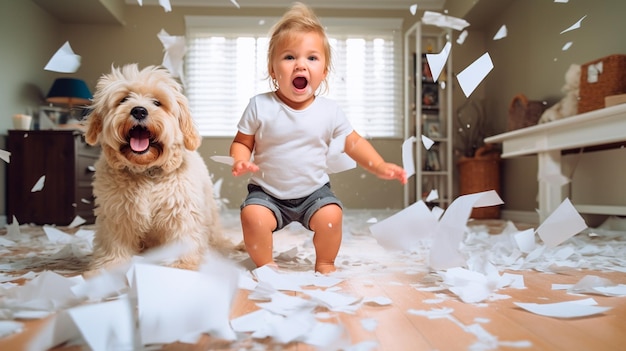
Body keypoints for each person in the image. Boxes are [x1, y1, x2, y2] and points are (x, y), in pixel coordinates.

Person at [229, 2, 406, 274]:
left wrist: (380, 166)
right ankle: (265, 264)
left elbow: (354, 142)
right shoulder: (260, 105)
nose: (300, 65)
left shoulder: (329, 111)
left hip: (314, 193)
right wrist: (240, 160)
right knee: (252, 217)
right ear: (273, 69)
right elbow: (242, 142)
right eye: (289, 58)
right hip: (267, 193)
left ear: (323, 72)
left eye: (312, 58)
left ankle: (325, 263)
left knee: (331, 216)